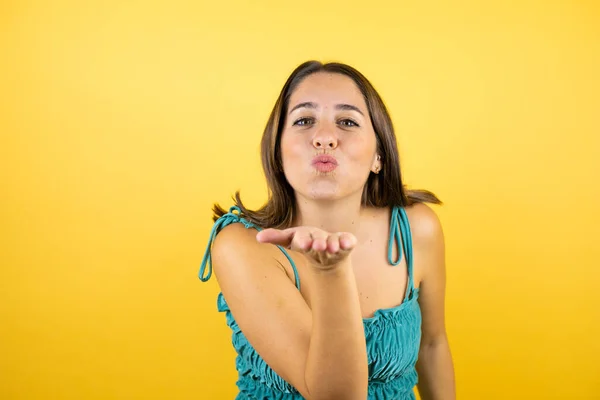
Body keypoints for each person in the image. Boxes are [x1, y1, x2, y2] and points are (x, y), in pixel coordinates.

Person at [198, 60, 456, 400]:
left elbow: (432, 345)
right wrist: (330, 271)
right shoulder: (241, 246)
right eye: (304, 121)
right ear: (277, 152)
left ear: (379, 155)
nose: (323, 138)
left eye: (347, 122)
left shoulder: (416, 229)